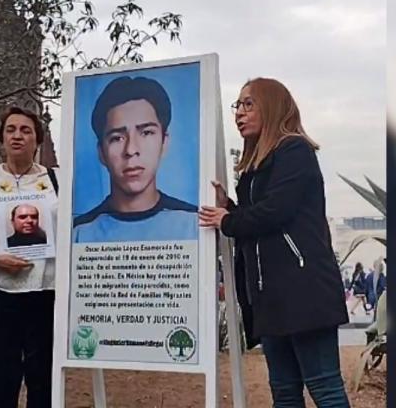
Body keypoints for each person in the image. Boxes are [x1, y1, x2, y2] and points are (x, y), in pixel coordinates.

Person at [199, 78, 350, 407]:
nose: (239, 113)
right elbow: (261, 220)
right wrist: (231, 208)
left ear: (273, 106)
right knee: (283, 390)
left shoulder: (295, 150)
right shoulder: (253, 168)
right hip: (269, 296)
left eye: (249, 104)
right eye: (237, 105)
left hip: (304, 290)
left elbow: (277, 210)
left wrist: (228, 220)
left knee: (324, 386)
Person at [0, 106, 58, 408]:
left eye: (26, 130)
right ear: (2, 138)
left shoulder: (58, 180)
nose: (18, 136)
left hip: (45, 294)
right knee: (2, 380)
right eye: (11, 130)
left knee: (43, 381)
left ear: (37, 140)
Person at [73, 76, 198, 242]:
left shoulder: (194, 223)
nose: (131, 150)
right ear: (101, 152)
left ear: (164, 142)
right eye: (117, 138)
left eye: (146, 133)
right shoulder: (79, 232)